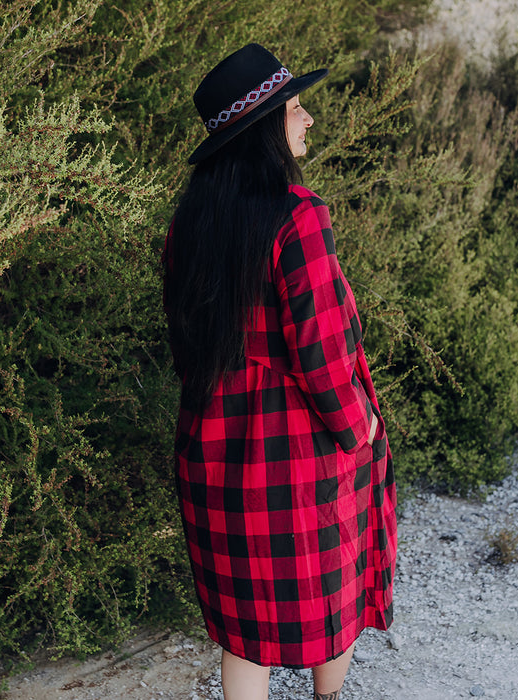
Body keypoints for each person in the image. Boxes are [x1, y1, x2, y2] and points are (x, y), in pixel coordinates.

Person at [162, 43, 397, 700]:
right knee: (338, 597)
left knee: (245, 631)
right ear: (264, 129)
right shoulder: (300, 217)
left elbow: (187, 352)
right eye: (295, 109)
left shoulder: (189, 225)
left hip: (210, 451)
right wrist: (363, 429)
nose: (308, 120)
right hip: (297, 458)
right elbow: (323, 361)